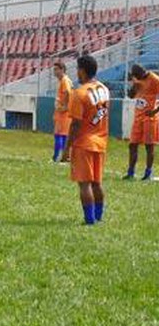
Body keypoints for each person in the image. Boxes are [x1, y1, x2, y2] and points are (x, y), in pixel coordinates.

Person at [61, 55, 110, 225]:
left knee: (84, 184)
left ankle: (89, 220)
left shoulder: (79, 93)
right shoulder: (104, 89)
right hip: (101, 141)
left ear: (82, 71)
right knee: (97, 182)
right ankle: (99, 217)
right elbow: (100, 113)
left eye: (77, 69)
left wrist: (67, 148)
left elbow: (75, 124)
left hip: (84, 143)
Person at [124, 64, 159, 180]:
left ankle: (148, 173)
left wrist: (155, 111)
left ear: (140, 73)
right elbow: (131, 96)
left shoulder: (154, 79)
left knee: (149, 146)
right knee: (132, 145)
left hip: (149, 118)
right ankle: (130, 172)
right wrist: (134, 84)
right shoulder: (138, 81)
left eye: (136, 76)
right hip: (138, 117)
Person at [53, 62, 73, 162]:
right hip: (63, 113)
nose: (55, 72)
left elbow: (68, 92)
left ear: (62, 70)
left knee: (59, 134)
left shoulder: (65, 81)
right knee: (64, 135)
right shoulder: (64, 81)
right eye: (54, 70)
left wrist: (64, 106)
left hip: (63, 113)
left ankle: (58, 157)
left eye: (57, 69)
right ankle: (65, 157)